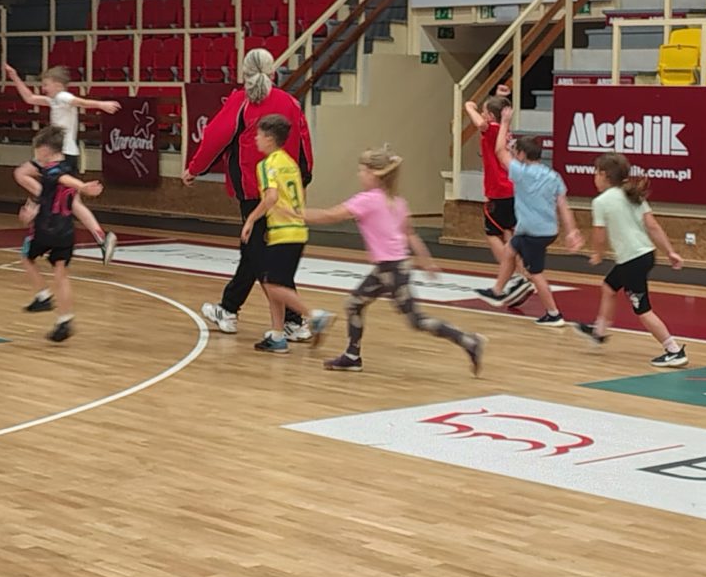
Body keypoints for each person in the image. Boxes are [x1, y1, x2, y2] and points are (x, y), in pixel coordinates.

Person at [308, 146, 483, 375]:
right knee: (354, 304)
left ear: (373, 174)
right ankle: (352, 356)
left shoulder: (367, 200)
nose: (359, 175)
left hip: (390, 269)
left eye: (362, 170)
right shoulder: (397, 202)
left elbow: (330, 215)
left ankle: (468, 340)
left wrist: (294, 213)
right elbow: (410, 234)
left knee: (416, 320)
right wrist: (426, 261)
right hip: (393, 267)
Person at [183, 49, 314, 336]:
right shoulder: (290, 102)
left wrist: (195, 169)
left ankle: (287, 319)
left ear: (244, 73)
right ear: (272, 71)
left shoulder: (240, 102)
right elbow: (305, 146)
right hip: (285, 193)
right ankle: (238, 310)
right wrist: (302, 181)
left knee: (257, 255)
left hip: (254, 190)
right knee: (258, 254)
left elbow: (214, 137)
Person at [575, 151, 690, 368]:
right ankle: (599, 332)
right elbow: (653, 226)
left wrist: (597, 254)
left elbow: (599, 234)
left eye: (595, 173)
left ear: (604, 175)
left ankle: (673, 350)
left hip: (632, 260)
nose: (594, 177)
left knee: (643, 310)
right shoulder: (632, 195)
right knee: (609, 286)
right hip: (645, 255)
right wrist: (670, 252)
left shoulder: (601, 202)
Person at [1, 60, 120, 264]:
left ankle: (101, 237)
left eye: (46, 84)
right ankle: (101, 236)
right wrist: (14, 76)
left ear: (57, 84)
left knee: (71, 201)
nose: (43, 88)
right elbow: (29, 98)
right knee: (23, 174)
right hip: (53, 155)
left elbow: (80, 102)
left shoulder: (63, 97)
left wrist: (101, 105)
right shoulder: (55, 100)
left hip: (63, 155)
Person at [241, 112, 334, 353]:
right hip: (298, 231)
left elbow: (271, 197)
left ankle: (315, 316)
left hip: (283, 232)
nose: (256, 139)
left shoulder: (266, 165)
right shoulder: (290, 163)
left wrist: (251, 218)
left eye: (259, 135)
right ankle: (277, 335)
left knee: (272, 285)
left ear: (269, 138)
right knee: (277, 285)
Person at [15, 131, 100, 343]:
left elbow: (60, 179)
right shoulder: (69, 166)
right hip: (66, 231)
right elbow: (56, 189)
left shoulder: (51, 171)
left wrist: (82, 187)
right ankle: (64, 320)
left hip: (46, 228)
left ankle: (43, 295)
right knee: (61, 273)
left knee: (26, 256)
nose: (36, 157)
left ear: (45, 150)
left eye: (37, 152)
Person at [504, 132, 585, 325]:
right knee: (510, 249)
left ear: (522, 154)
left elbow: (500, 152)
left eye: (516, 152)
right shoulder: (553, 176)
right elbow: (563, 206)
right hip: (547, 231)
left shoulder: (521, 173)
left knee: (536, 273)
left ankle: (553, 313)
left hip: (533, 232)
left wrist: (505, 126)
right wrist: (572, 231)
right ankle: (506, 286)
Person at [464, 91, 531, 306]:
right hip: (511, 188)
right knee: (508, 232)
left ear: (491, 117)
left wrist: (469, 108)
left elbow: (481, 124)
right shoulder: (505, 131)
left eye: (485, 112)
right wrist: (499, 96)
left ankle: (512, 273)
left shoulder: (493, 128)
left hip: (499, 190)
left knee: (492, 233)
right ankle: (521, 275)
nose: (482, 116)